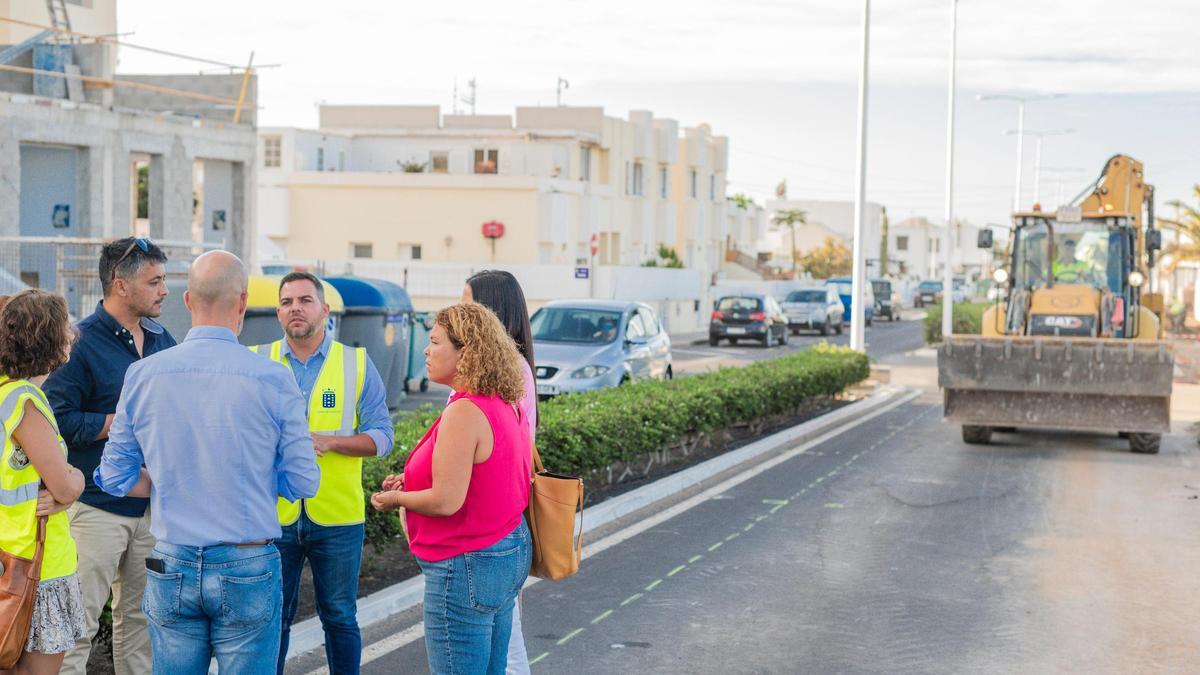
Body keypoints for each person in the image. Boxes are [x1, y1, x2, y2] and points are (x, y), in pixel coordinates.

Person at [94, 251, 320, 674]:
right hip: (247, 562)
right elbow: (304, 481)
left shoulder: (143, 375)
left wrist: (171, 480)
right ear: (242, 303)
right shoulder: (273, 378)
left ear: (187, 301)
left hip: (171, 561)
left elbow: (114, 477)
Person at [372, 303, 532, 675]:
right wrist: (412, 481)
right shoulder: (501, 402)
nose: (426, 351)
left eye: (435, 341)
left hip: (466, 565)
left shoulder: (465, 411)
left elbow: (447, 500)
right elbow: (486, 476)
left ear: (467, 352)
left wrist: (395, 499)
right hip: (504, 553)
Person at [42, 237, 174, 675]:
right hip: (95, 508)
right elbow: (54, 419)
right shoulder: (78, 343)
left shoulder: (162, 340)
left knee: (143, 626)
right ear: (121, 283)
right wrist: (119, 421)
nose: (164, 290)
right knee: (76, 628)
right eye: (154, 281)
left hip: (153, 510)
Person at [252, 272, 394, 675]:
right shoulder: (257, 362)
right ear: (277, 312)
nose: (295, 308)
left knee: (339, 618)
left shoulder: (356, 363)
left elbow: (383, 437)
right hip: (273, 516)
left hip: (337, 517)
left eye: (305, 300)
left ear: (325, 310)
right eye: (286, 302)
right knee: (272, 619)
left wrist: (331, 442)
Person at [0, 290, 87, 675]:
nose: (72, 332)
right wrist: (78, 480)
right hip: (35, 567)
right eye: (65, 325)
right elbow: (65, 489)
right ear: (49, 338)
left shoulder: (5, 392)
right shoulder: (25, 401)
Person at [462, 270, 536, 675]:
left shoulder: (507, 372)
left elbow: (497, 450)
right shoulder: (511, 368)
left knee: (506, 647)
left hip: (492, 523)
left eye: (469, 304)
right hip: (498, 520)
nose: (460, 313)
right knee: (502, 642)